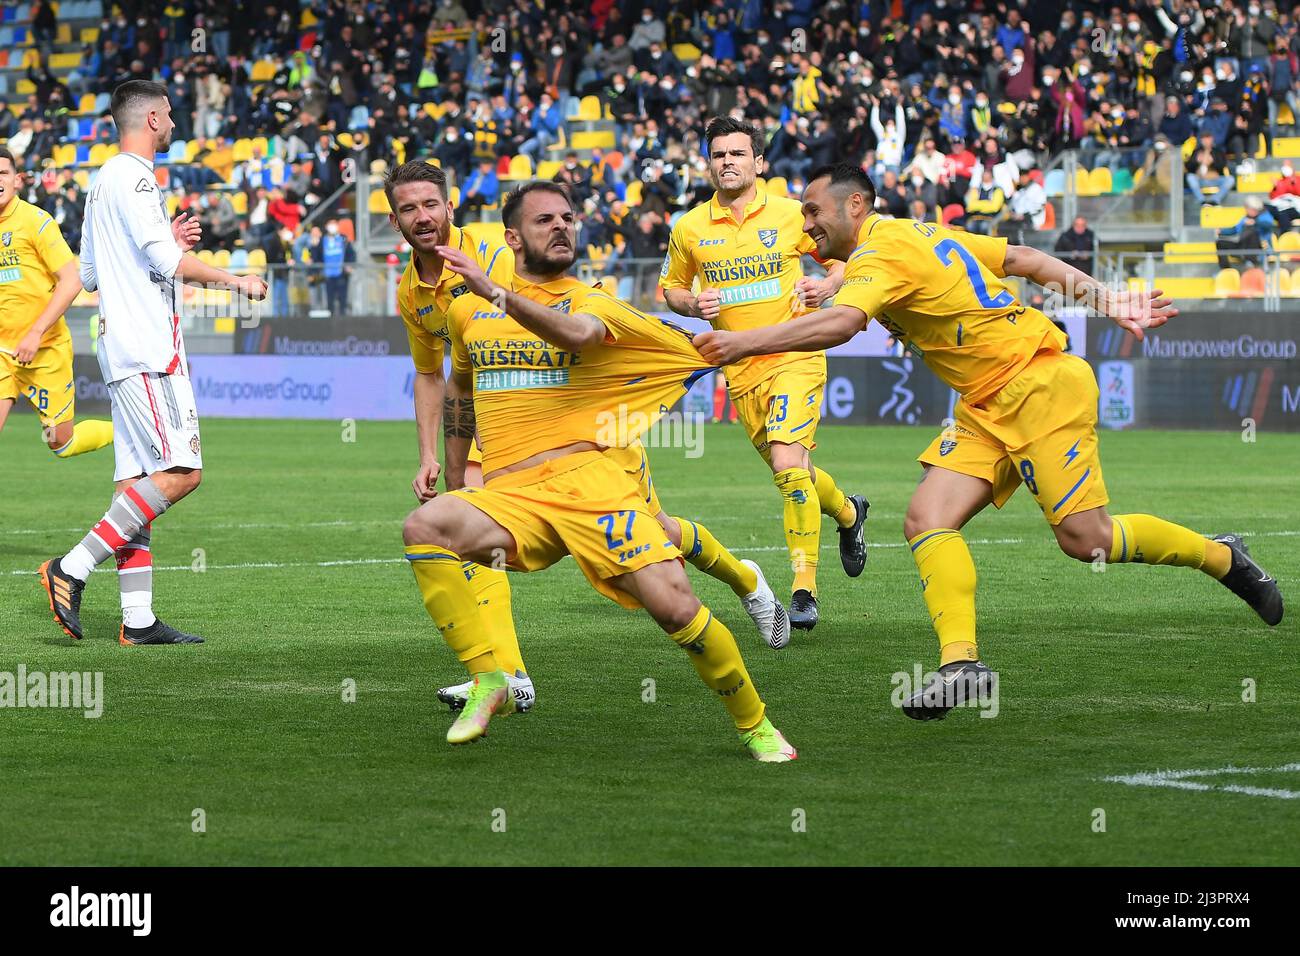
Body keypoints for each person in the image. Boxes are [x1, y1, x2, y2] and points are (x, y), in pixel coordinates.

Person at [696, 163, 1283, 718]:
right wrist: (1107, 299)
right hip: (984, 404)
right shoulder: (907, 235)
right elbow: (1022, 258)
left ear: (855, 204)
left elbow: (846, 324)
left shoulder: (882, 251)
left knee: (1087, 540)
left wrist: (744, 343)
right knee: (926, 518)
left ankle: (1223, 556)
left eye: (813, 211)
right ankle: (963, 666)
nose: (806, 225)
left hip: (1036, 383)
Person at [401, 180, 795, 760]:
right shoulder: (465, 313)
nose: (561, 227)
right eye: (544, 221)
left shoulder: (589, 301)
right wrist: (455, 474)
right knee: (424, 527)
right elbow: (460, 389)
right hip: (514, 493)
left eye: (567, 218)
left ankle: (755, 723)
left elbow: (582, 338)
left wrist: (497, 292)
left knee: (676, 606)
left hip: (593, 481)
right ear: (512, 238)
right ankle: (492, 678)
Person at [39, 80, 267, 646]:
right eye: (169, 114)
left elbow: (91, 273)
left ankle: (137, 619)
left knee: (135, 486)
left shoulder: (100, 182)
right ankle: (72, 565)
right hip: (148, 349)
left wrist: (162, 238)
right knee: (184, 472)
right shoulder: (138, 177)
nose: (173, 120)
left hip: (119, 346)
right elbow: (166, 262)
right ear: (155, 117)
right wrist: (234, 279)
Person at [660, 117, 868, 631]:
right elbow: (671, 289)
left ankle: (803, 589)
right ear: (709, 164)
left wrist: (830, 284)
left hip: (796, 354)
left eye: (737, 153)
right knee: (791, 471)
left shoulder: (792, 214)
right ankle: (848, 513)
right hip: (740, 368)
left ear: (759, 162)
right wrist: (692, 302)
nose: (727, 161)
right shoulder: (689, 227)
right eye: (718, 155)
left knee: (786, 463)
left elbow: (847, 254)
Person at [0, 146, 113, 458]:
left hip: (44, 349)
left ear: (17, 180)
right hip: (1, 352)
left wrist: (35, 332)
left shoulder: (36, 222)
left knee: (60, 442)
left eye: (3, 173)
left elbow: (72, 281)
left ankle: (125, 429)